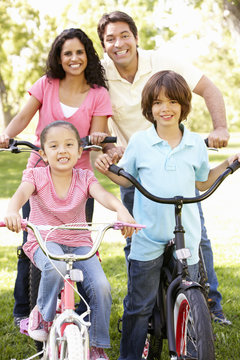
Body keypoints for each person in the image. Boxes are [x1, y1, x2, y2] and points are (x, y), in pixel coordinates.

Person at [97, 10, 231, 324]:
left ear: (136, 37)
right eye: (110, 39)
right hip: (136, 168)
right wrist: (107, 147)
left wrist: (221, 127)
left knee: (194, 236)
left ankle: (209, 306)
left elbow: (209, 88)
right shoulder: (99, 73)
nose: (119, 44)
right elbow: (97, 119)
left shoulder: (164, 61)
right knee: (137, 244)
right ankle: (142, 313)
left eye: (124, 35)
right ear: (103, 46)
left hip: (174, 158)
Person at [95, 70, 240, 359]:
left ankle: (190, 344)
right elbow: (127, 179)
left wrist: (227, 162)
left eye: (173, 102)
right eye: (159, 103)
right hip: (148, 233)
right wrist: (108, 169)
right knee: (139, 306)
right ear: (149, 107)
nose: (166, 108)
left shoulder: (195, 143)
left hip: (186, 232)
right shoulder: (140, 142)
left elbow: (201, 181)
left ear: (184, 106)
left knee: (193, 293)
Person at [0, 28, 112, 327]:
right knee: (33, 243)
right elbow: (23, 117)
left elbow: (97, 135)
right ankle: (25, 312)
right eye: (67, 53)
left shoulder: (98, 93)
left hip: (78, 181)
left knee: (77, 248)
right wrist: (7, 135)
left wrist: (100, 137)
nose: (74, 58)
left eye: (79, 52)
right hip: (41, 174)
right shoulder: (46, 84)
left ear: (87, 54)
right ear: (59, 58)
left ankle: (72, 312)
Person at [4, 121, 137, 360]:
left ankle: (96, 345)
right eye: (53, 146)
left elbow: (104, 195)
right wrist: (13, 210)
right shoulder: (36, 175)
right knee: (54, 270)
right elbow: (21, 194)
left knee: (101, 287)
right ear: (43, 154)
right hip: (45, 241)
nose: (62, 150)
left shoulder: (84, 177)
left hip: (79, 243)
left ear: (79, 152)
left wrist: (121, 209)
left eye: (68, 145)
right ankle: (42, 318)